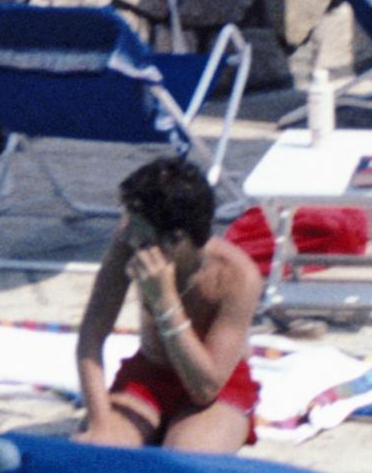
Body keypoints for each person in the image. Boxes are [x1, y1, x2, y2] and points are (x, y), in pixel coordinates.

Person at [73, 155, 266, 452]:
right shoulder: (128, 240)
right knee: (97, 457)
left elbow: (205, 388)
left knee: (185, 468)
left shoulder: (237, 276)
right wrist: (100, 424)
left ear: (175, 239)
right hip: (150, 374)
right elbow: (91, 335)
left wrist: (165, 303)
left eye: (138, 228)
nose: (128, 234)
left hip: (216, 386)